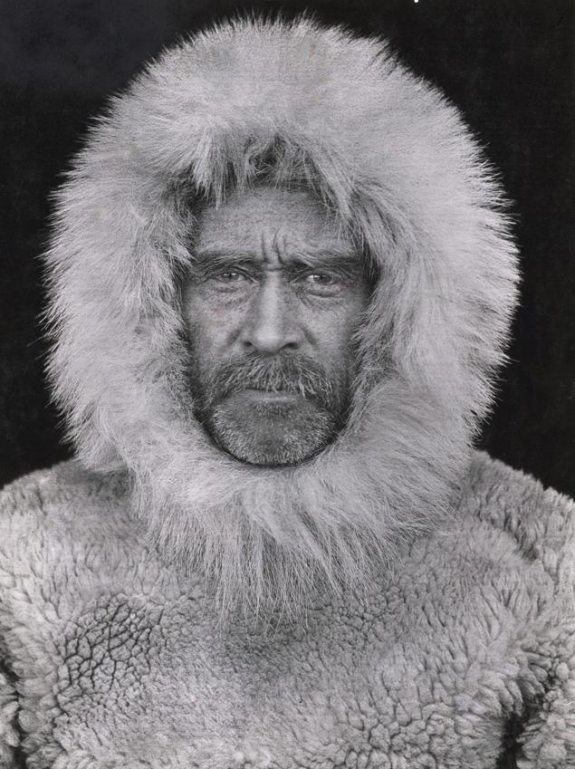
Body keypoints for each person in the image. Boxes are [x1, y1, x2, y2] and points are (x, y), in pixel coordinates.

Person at [0, 17, 573, 769]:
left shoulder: (539, 566)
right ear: (154, 302)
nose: (269, 332)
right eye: (228, 275)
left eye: (321, 277)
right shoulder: (21, 561)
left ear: (395, 307)